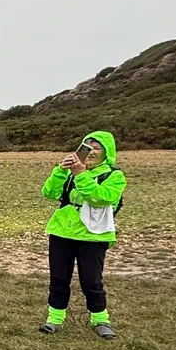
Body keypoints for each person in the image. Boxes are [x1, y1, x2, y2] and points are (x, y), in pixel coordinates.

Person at [39, 130, 126, 339]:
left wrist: (81, 174)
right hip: (62, 231)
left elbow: (101, 198)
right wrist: (61, 171)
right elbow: (49, 192)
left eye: (97, 148)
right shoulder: (70, 172)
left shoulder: (114, 176)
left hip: (93, 235)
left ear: (107, 152)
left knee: (91, 280)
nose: (92, 152)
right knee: (59, 278)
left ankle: (100, 320)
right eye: (87, 147)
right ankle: (55, 319)